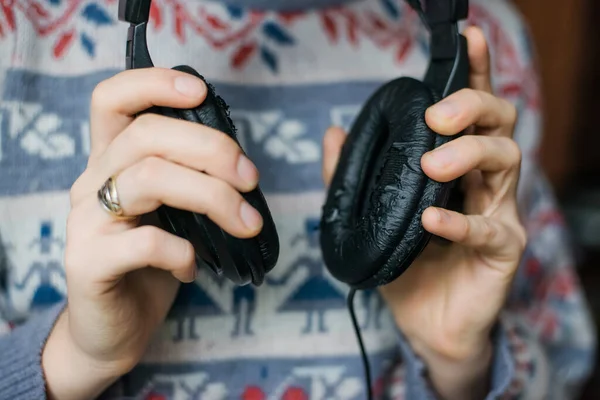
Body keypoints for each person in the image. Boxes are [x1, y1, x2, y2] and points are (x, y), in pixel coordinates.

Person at [0, 0, 595, 399]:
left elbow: (565, 364)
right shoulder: (15, 29)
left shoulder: (485, 35)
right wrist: (73, 358)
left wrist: (462, 365)